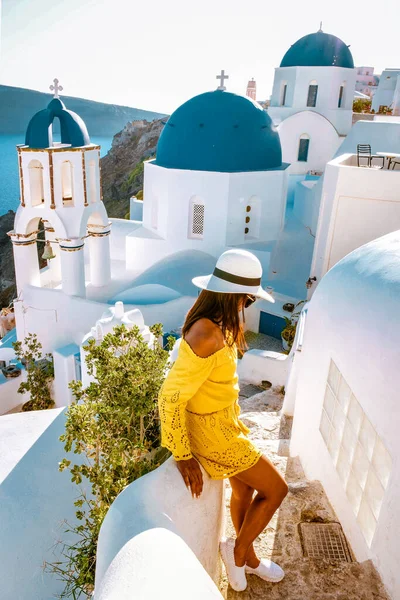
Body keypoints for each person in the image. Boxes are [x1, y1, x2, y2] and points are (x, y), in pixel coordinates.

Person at [158, 248, 288, 592]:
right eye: (246, 300)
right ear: (232, 296)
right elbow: (170, 396)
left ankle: (251, 559)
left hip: (225, 424)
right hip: (214, 435)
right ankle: (240, 553)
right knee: (276, 489)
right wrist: (182, 453)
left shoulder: (217, 324)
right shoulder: (206, 333)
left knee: (244, 488)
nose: (247, 306)